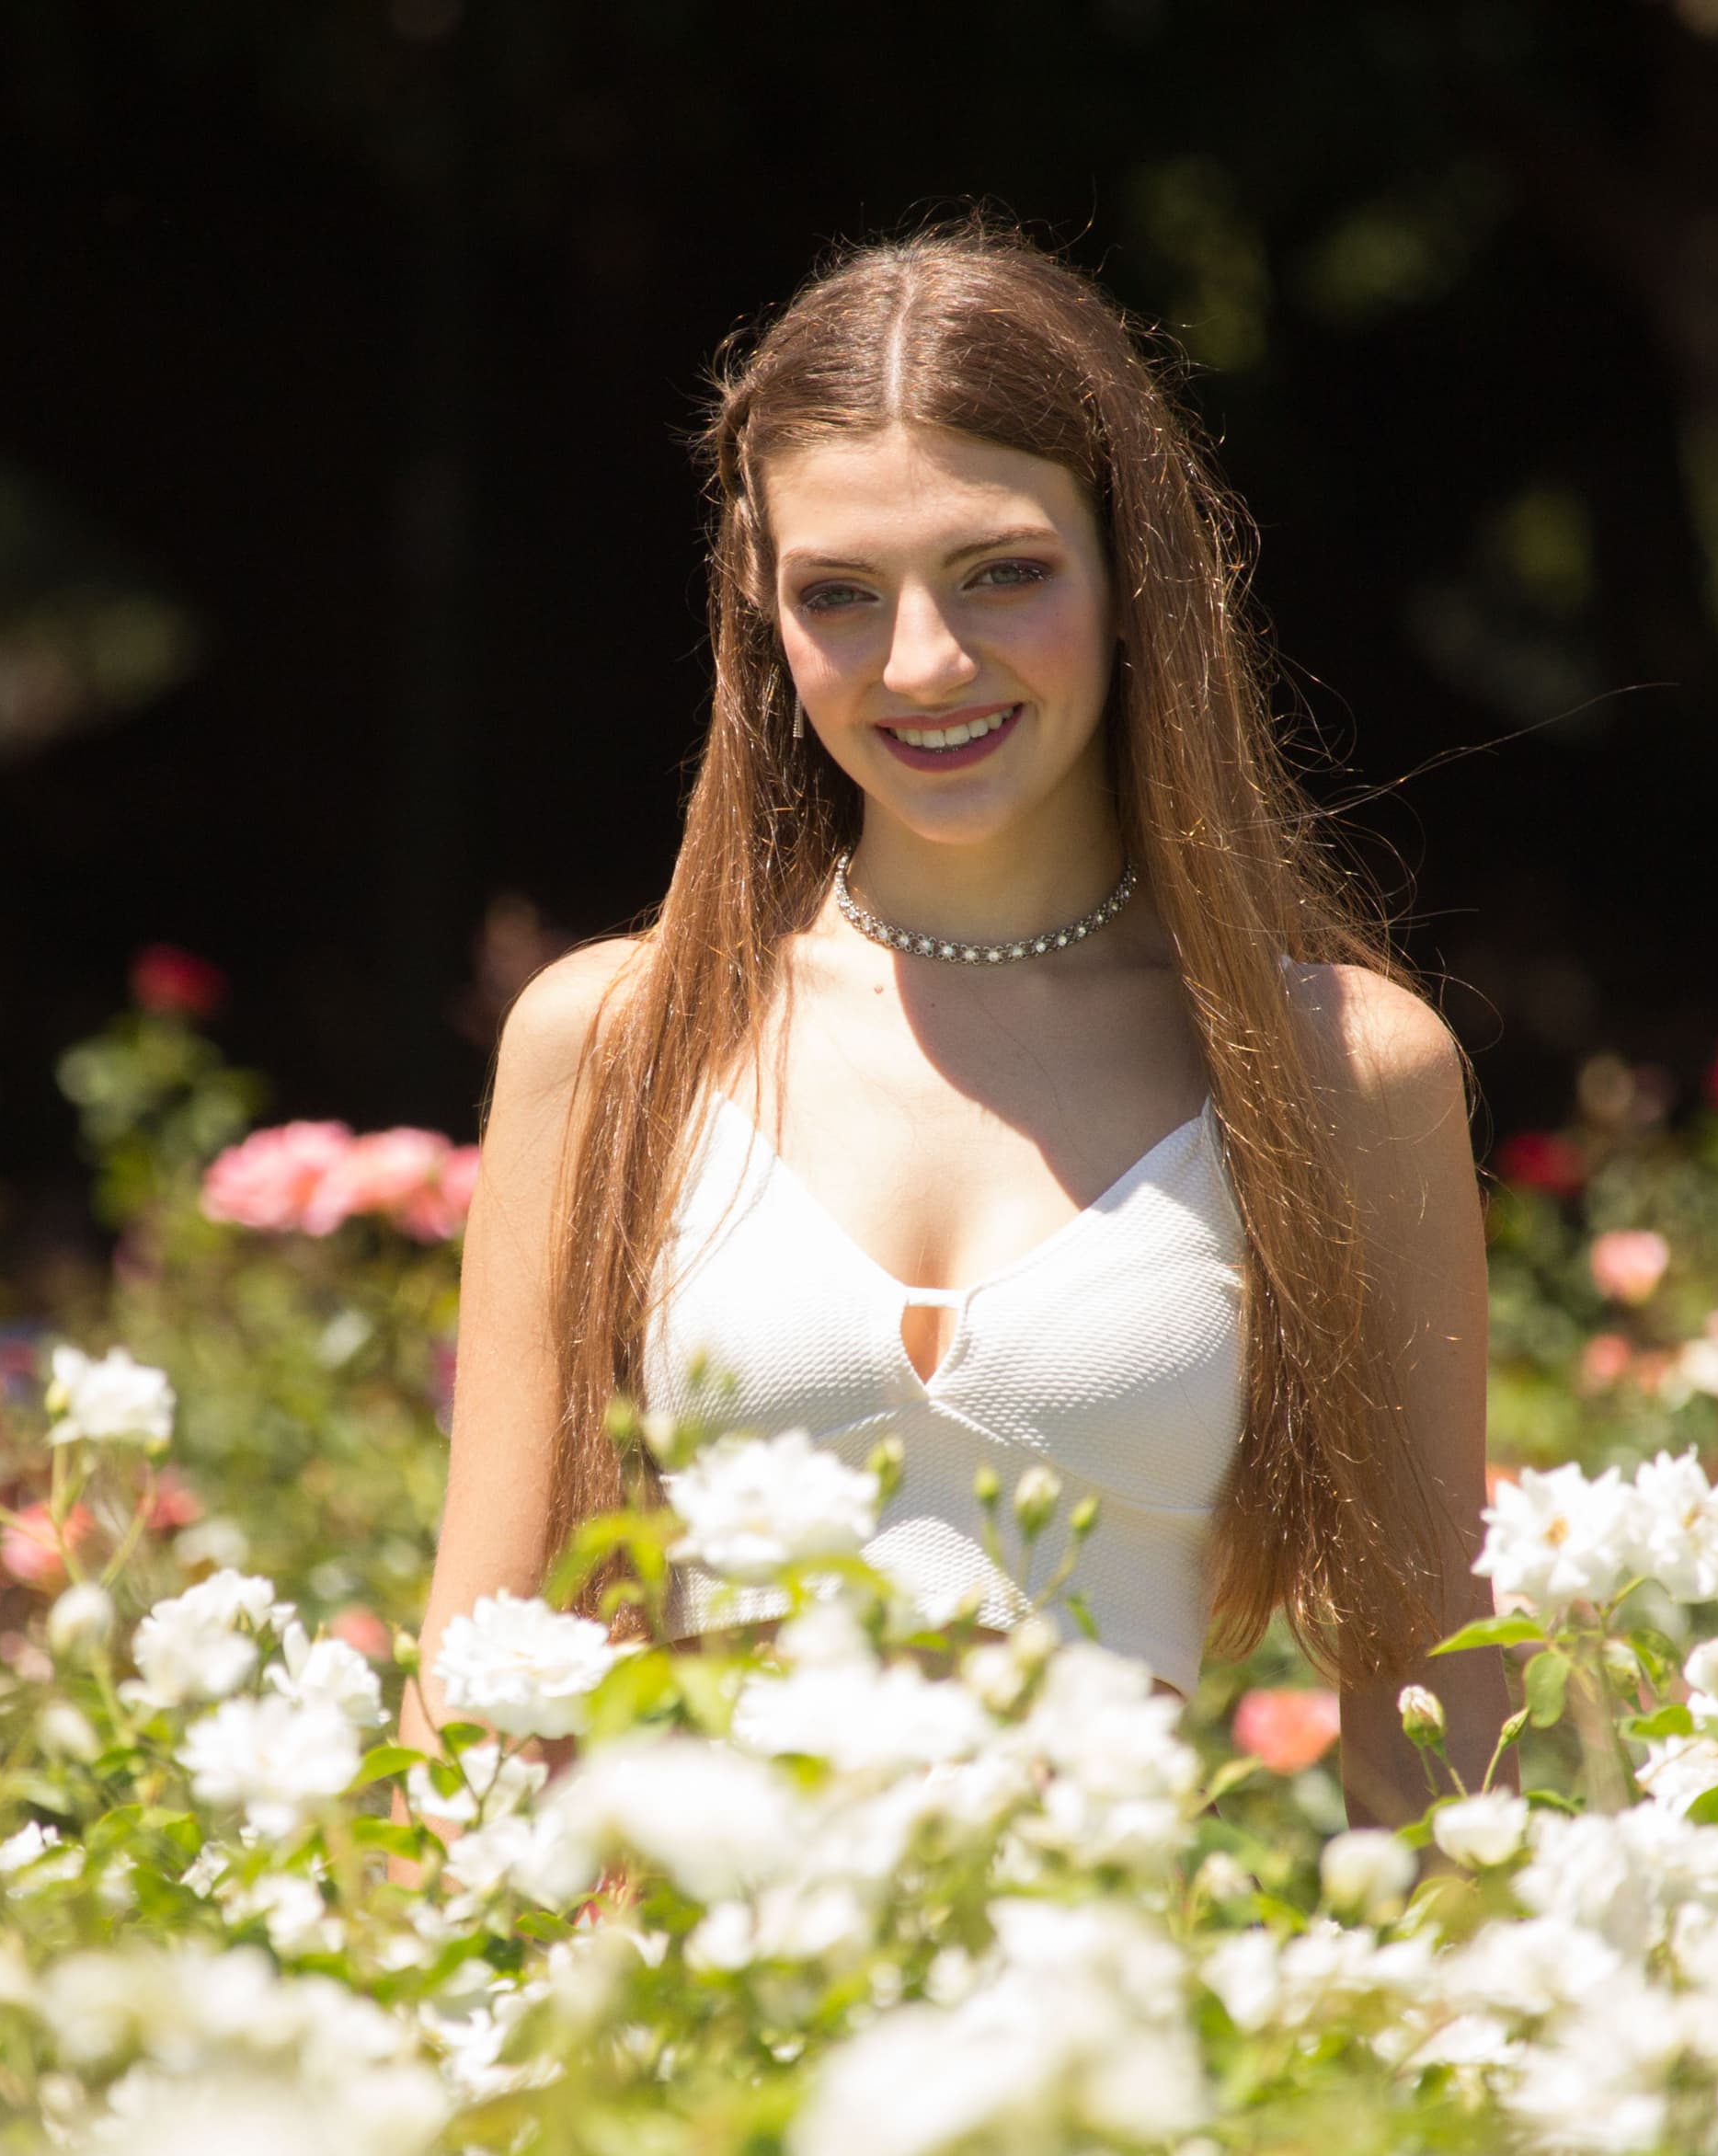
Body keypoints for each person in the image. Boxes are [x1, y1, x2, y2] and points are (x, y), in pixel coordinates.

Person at [401, 222, 1501, 1827]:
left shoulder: (1340, 1073)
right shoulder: (617, 1045)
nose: (923, 663)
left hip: (1123, 2030)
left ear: (1135, 572)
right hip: (688, 2040)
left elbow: (1435, 1706)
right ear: (761, 619)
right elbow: (488, 1666)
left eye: (1003, 573)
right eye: (840, 594)